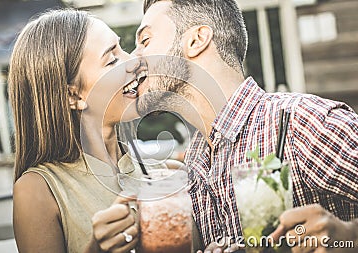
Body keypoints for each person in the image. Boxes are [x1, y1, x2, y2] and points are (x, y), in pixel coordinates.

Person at [131, 0, 358, 252]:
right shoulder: (196, 159)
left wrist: (349, 236)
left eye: (145, 40)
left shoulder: (302, 122)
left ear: (196, 40)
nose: (132, 57)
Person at [9, 9, 149, 253]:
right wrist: (95, 249)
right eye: (113, 60)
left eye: (121, 48)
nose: (134, 61)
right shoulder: (36, 190)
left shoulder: (144, 168)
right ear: (73, 96)